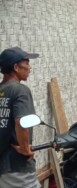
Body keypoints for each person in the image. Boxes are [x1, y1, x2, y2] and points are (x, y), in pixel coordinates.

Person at [0, 47, 40, 188]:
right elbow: (21, 121)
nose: (29, 67)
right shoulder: (20, 90)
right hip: (17, 167)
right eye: (27, 63)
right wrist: (24, 148)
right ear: (16, 67)